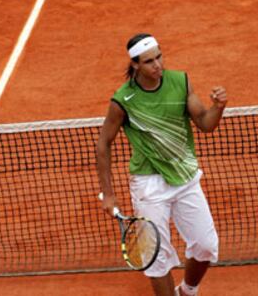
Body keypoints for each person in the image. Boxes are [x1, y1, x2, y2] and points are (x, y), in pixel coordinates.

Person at [97, 33, 227, 296]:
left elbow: (204, 123)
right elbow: (103, 144)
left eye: (159, 57)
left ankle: (187, 291)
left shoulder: (180, 81)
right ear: (135, 65)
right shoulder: (123, 101)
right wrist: (108, 194)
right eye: (149, 61)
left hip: (185, 175)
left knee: (205, 246)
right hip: (149, 184)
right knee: (157, 258)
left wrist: (219, 107)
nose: (157, 65)